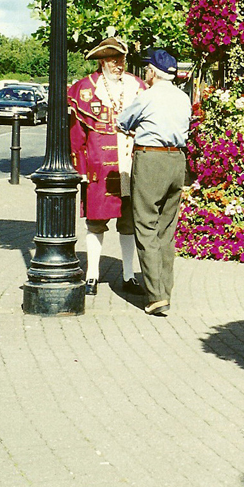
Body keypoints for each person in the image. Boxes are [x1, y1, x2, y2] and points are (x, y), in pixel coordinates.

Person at [68, 37, 146, 296]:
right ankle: (92, 275)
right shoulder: (84, 89)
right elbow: (76, 135)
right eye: (113, 60)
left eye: (121, 59)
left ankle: (128, 275)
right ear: (102, 61)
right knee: (96, 222)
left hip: (131, 167)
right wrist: (79, 169)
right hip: (99, 169)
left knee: (128, 223)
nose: (118, 64)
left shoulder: (138, 86)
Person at [118, 49, 192, 318]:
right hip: (177, 161)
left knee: (145, 224)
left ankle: (156, 296)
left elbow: (122, 121)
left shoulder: (147, 96)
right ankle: (165, 290)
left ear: (152, 72)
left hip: (151, 159)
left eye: (147, 69)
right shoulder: (184, 98)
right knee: (166, 230)